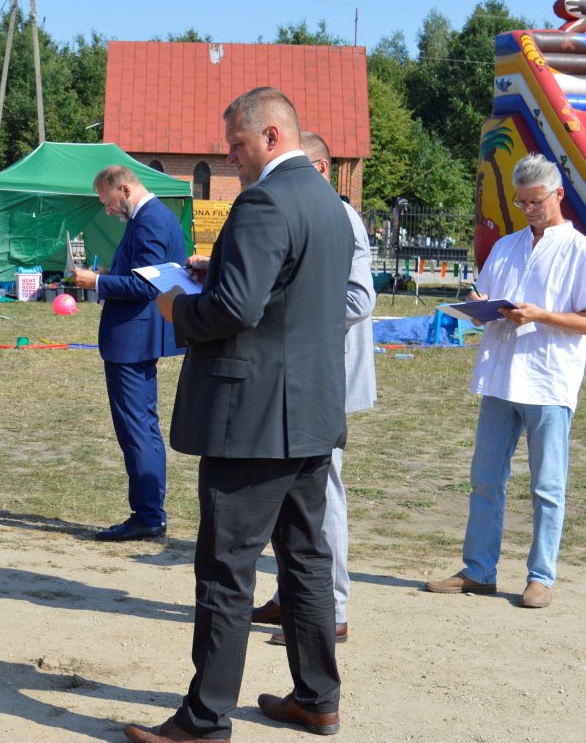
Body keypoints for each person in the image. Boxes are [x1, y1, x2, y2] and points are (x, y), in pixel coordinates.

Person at [125, 87, 352, 742]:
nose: (230, 158)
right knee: (306, 561)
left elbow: (236, 309)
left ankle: (204, 720)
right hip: (308, 411)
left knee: (227, 569)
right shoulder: (329, 203)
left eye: (237, 145)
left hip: (252, 418)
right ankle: (317, 697)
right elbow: (283, 294)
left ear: (272, 136)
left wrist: (176, 307)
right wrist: (218, 271)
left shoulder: (263, 201)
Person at [425, 153, 586, 609]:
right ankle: (479, 570)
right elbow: (488, 299)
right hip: (501, 378)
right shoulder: (505, 246)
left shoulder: (582, 251)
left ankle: (541, 576)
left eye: (536, 201)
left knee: (547, 486)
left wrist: (540, 316)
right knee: (485, 479)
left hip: (549, 380)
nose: (528, 209)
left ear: (558, 194)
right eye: (522, 202)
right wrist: (478, 304)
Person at [254, 131, 376, 646]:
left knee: (322, 496)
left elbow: (359, 301)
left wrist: (289, 317)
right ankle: (293, 596)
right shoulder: (307, 210)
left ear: (321, 169)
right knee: (293, 498)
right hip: (298, 375)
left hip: (324, 376)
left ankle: (330, 611)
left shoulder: (339, 215)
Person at [72, 165, 187, 541]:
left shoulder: (150, 220)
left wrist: (98, 281)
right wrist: (111, 271)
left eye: (107, 202)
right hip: (137, 338)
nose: (107, 210)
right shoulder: (154, 216)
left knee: (136, 429)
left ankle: (148, 515)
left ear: (124, 188)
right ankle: (150, 512)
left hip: (132, 340)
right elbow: (142, 273)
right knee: (144, 427)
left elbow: (147, 287)